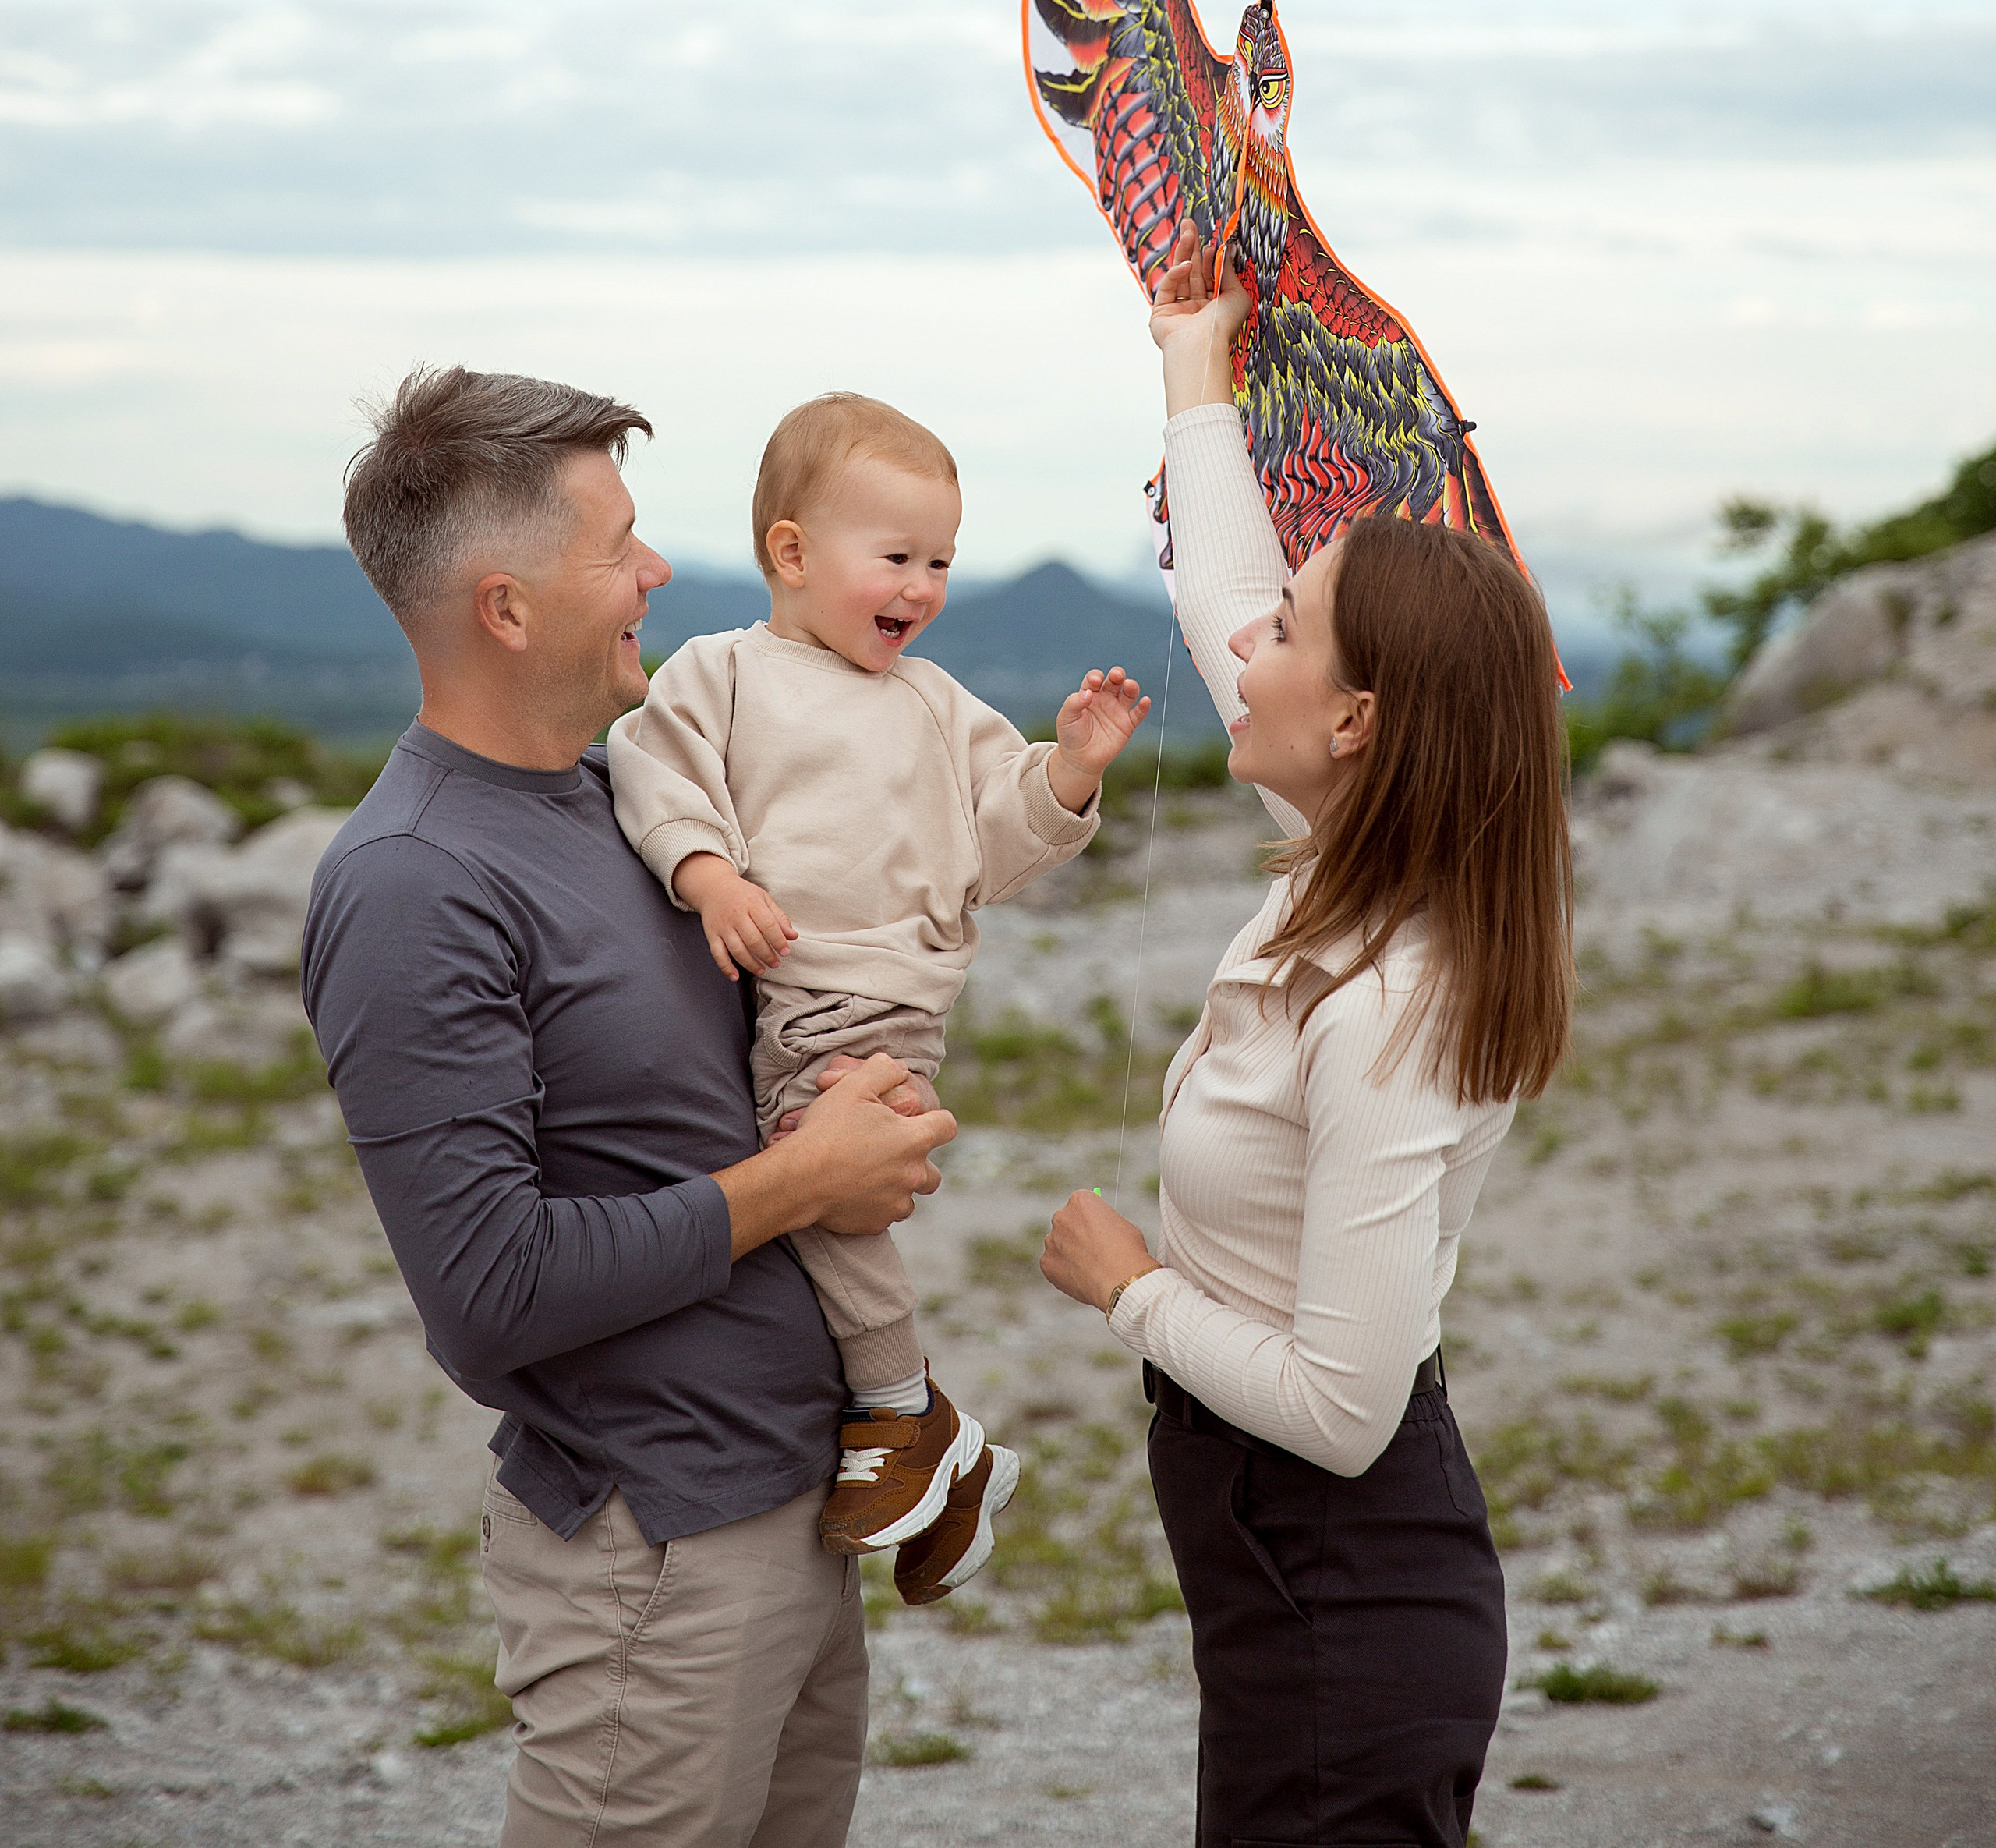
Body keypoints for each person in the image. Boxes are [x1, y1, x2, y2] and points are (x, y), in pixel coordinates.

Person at [299, 365, 957, 1848]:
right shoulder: (414, 882)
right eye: (619, 546)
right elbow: (489, 1293)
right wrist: (807, 1184)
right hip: (648, 1559)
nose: (660, 569)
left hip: (792, 1508)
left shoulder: (632, 804)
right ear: (506, 609)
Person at [1039, 226, 1573, 1848]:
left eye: (1291, 631)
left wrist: (1123, 1285)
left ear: (1352, 722)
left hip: (1345, 1584)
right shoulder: (1348, 851)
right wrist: (1188, 360)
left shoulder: (1394, 996)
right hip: (1292, 1571)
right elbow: (1221, 592)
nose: (1244, 646)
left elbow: (1342, 1407)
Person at [605, 390, 1150, 1605]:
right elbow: (652, 765)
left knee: (819, 1189)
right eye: (895, 557)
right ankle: (929, 1451)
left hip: (881, 1001)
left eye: (941, 561)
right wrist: (707, 876)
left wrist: (1065, 770)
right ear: (791, 554)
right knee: (814, 1206)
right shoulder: (724, 673)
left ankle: (905, 1416)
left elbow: (999, 843)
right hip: (791, 985)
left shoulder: (937, 704)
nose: (922, 585)